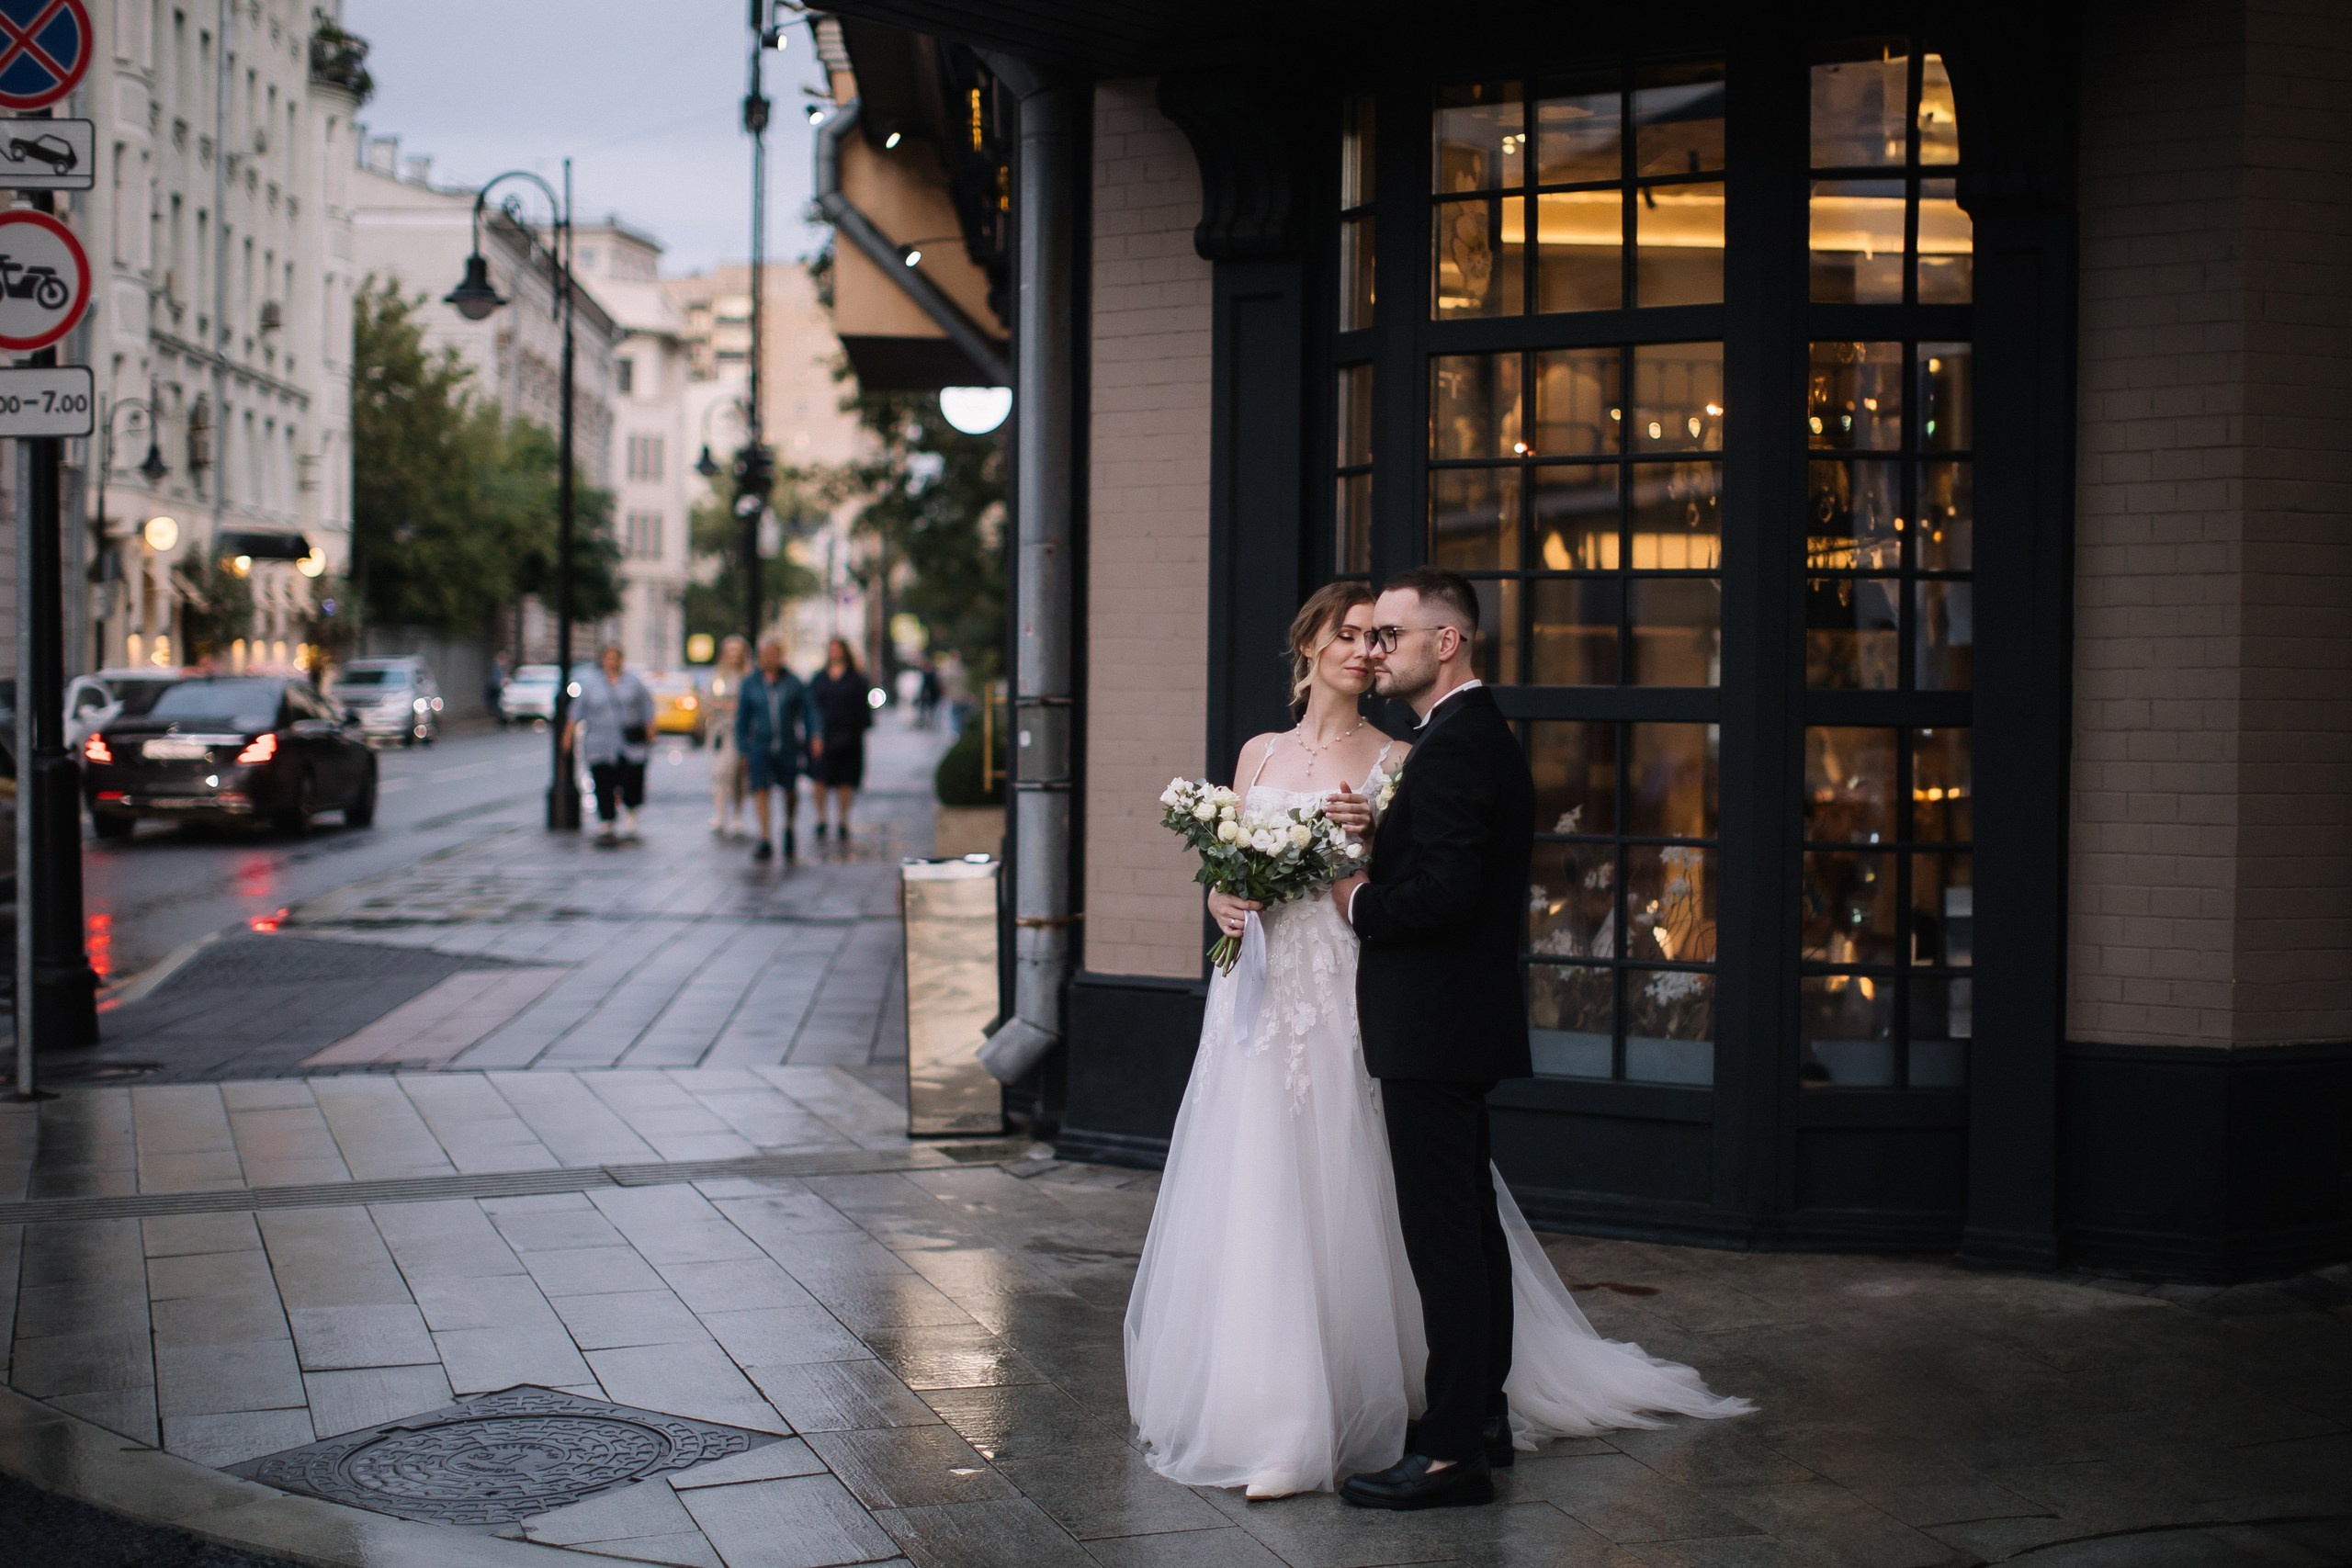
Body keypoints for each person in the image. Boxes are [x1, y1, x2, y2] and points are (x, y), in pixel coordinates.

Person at [1125, 573, 1748, 1506]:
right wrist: (1218, 899)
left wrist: (1358, 875)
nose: (1365, 651)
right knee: (1264, 1193)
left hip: (1358, 996)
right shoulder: (1259, 754)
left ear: (1438, 643)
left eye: (1379, 635)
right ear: (1306, 647)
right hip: (1260, 999)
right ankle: (1301, 1404)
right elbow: (1240, 870)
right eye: (1350, 635)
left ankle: (1399, 1420)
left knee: (1384, 1205)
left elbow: (1428, 884)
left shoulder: (1406, 754)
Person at [735, 636, 821, 863]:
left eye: (775, 655)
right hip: (760, 745)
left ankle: (789, 826)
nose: (770, 659)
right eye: (766, 655)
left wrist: (815, 735)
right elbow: (742, 719)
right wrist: (742, 749)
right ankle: (765, 837)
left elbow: (809, 710)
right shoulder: (751, 683)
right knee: (760, 789)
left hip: (787, 744)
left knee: (789, 789)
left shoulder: (792, 682)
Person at [568, 643, 655, 847]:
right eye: (608, 657)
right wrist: (567, 736)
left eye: (615, 657)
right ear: (602, 660)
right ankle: (606, 819)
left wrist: (650, 730)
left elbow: (647, 707)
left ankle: (631, 812)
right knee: (603, 781)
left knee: (631, 778)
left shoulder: (633, 683)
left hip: (630, 742)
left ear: (621, 660)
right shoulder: (591, 684)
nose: (612, 662)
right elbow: (576, 711)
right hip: (600, 742)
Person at [807, 637, 876, 842]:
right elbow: (812, 706)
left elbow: (864, 710)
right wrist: (815, 733)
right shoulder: (819, 678)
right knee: (820, 778)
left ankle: (843, 819)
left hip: (849, 736)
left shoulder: (856, 678)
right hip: (824, 736)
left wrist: (858, 730)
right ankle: (821, 819)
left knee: (846, 780)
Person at [705, 635, 751, 837]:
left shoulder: (749, 676)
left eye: (737, 650)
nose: (734, 655)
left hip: (742, 731)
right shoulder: (718, 675)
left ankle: (738, 814)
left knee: (739, 775)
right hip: (720, 731)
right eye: (730, 650)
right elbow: (709, 700)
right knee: (719, 772)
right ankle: (720, 813)